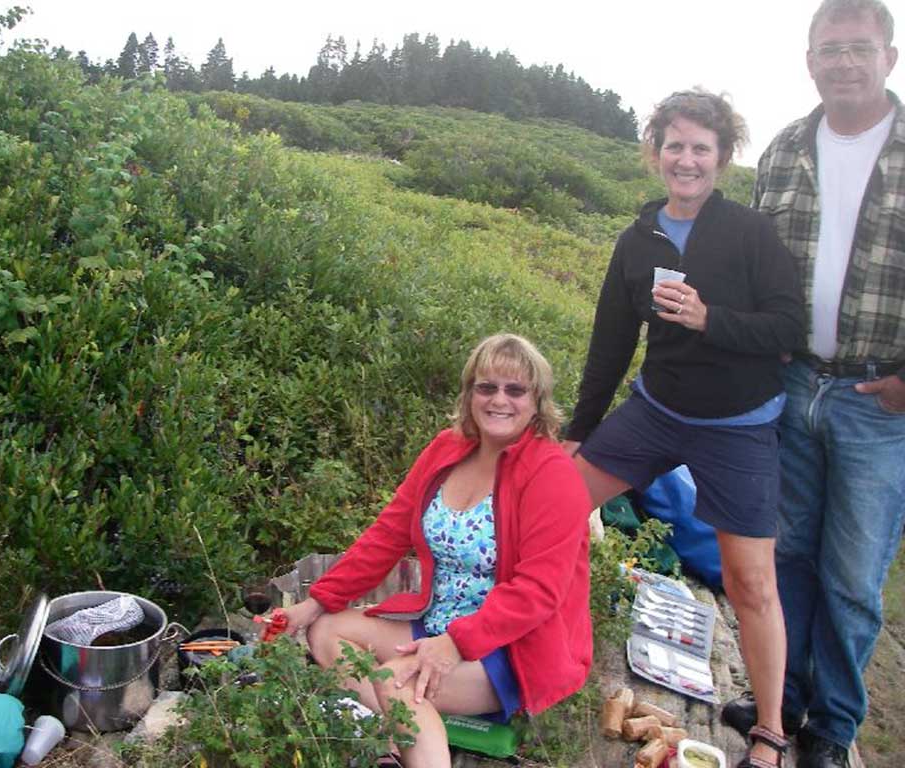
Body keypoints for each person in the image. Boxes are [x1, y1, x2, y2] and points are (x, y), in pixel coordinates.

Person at [562, 90, 805, 768]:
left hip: (738, 427)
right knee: (553, 504)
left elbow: (788, 328)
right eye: (675, 146)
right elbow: (610, 342)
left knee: (750, 580)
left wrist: (709, 319)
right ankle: (543, 639)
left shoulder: (751, 234)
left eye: (702, 147)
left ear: (723, 157)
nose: (688, 159)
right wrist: (580, 431)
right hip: (657, 411)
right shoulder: (638, 240)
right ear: (655, 152)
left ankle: (770, 731)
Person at [721, 3, 903, 767]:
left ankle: (833, 726)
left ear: (889, 57)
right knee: (786, 551)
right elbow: (760, 267)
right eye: (831, 50)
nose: (845, 63)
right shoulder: (787, 147)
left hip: (879, 402)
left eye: (860, 49)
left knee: (854, 577)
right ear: (809, 61)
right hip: (794, 384)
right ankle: (783, 699)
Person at [279, 333, 593, 768]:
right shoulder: (447, 449)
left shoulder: (553, 476)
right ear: (469, 395)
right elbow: (388, 533)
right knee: (327, 631)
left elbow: (539, 591)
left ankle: (414, 736)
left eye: (515, 389)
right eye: (486, 387)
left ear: (537, 402)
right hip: (436, 625)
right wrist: (316, 603)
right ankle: (394, 740)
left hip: (509, 650)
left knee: (398, 685)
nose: (499, 399)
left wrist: (455, 645)